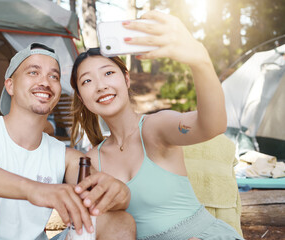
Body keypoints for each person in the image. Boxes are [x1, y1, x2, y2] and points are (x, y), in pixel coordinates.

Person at [0, 43, 135, 240]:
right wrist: (34, 190)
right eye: (33, 72)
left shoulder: (65, 157)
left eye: (53, 76)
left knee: (118, 220)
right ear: (10, 85)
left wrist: (120, 195)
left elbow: (97, 196)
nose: (44, 82)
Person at [70, 11, 244, 240]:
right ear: (82, 98)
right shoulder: (89, 162)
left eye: (109, 73)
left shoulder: (155, 128)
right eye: (87, 81)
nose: (100, 86)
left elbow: (213, 124)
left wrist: (199, 60)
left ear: (126, 79)